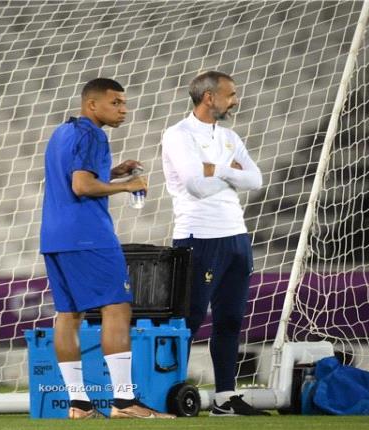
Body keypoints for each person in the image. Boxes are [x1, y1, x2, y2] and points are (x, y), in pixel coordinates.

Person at [40, 78, 175, 419]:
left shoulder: (62, 132)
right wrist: (128, 186)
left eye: (124, 103)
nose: (123, 109)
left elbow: (74, 176)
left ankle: (79, 403)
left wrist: (113, 172)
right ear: (92, 105)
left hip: (54, 236)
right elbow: (82, 185)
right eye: (115, 103)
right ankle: (125, 401)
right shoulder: (92, 135)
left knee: (69, 314)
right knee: (117, 307)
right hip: (88, 235)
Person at [161, 71, 268, 416]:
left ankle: (225, 397)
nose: (235, 100)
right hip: (198, 237)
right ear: (209, 97)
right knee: (189, 320)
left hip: (236, 236)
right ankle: (168, 395)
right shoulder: (178, 135)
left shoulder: (229, 136)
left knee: (231, 319)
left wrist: (217, 169)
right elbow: (195, 185)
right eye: (230, 94)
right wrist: (231, 173)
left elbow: (256, 179)